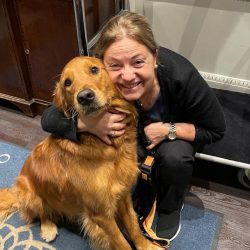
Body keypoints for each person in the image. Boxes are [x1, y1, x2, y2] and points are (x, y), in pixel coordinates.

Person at [41, 11, 226, 241]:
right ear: (103, 65)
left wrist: (169, 129)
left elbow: (216, 130)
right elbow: (49, 118)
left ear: (155, 57)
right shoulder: (100, 77)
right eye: (115, 65)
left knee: (175, 156)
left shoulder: (182, 77)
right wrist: (87, 124)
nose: (127, 76)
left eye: (138, 62)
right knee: (126, 202)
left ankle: (170, 206)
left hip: (172, 138)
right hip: (134, 141)